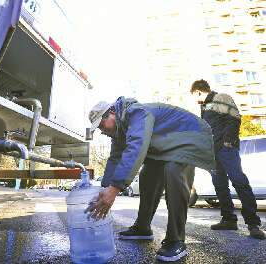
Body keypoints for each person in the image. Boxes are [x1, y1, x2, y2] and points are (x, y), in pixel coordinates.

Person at [87, 96, 215, 262]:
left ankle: (176, 239)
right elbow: (115, 159)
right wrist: (104, 190)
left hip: (189, 135)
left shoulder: (137, 113)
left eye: (102, 125)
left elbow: (136, 147)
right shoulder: (118, 131)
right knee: (147, 173)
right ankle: (142, 227)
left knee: (174, 169)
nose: (102, 131)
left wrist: (115, 188)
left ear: (111, 112)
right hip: (167, 145)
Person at [190, 79, 265, 240]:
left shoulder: (221, 97)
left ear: (198, 91)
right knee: (220, 185)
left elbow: (234, 118)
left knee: (239, 182)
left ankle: (253, 224)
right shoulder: (205, 107)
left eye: (194, 96)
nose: (195, 100)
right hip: (214, 152)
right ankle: (228, 219)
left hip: (226, 149)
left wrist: (228, 142)